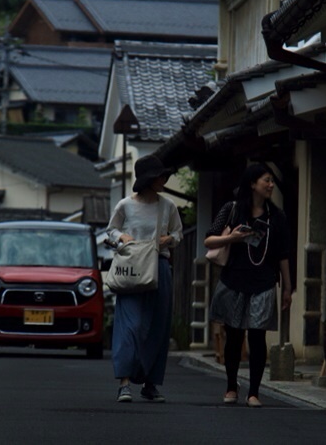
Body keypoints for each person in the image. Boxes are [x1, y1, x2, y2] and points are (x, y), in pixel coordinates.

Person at [204, 163, 292, 408]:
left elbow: (283, 255)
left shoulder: (277, 217)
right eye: (267, 180)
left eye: (272, 181)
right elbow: (208, 239)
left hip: (264, 281)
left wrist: (287, 287)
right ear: (253, 183)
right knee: (233, 337)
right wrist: (232, 237)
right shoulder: (232, 210)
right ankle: (232, 385)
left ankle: (254, 392)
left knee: (257, 335)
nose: (271, 185)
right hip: (234, 280)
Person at [107, 155, 183, 403]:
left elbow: (178, 233)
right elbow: (111, 230)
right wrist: (122, 238)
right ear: (149, 179)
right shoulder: (125, 205)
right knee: (131, 325)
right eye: (160, 176)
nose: (164, 180)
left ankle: (150, 384)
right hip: (132, 268)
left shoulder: (167, 206)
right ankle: (124, 383)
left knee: (158, 327)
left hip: (159, 266)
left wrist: (169, 240)